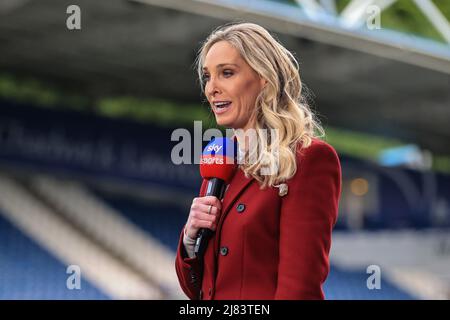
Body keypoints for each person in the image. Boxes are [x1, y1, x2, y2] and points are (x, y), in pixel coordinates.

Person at [175, 22, 341, 300]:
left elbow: (299, 290)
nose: (212, 88)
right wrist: (190, 240)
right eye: (207, 77)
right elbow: (199, 291)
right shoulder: (220, 163)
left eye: (226, 73)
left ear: (264, 78)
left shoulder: (308, 159)